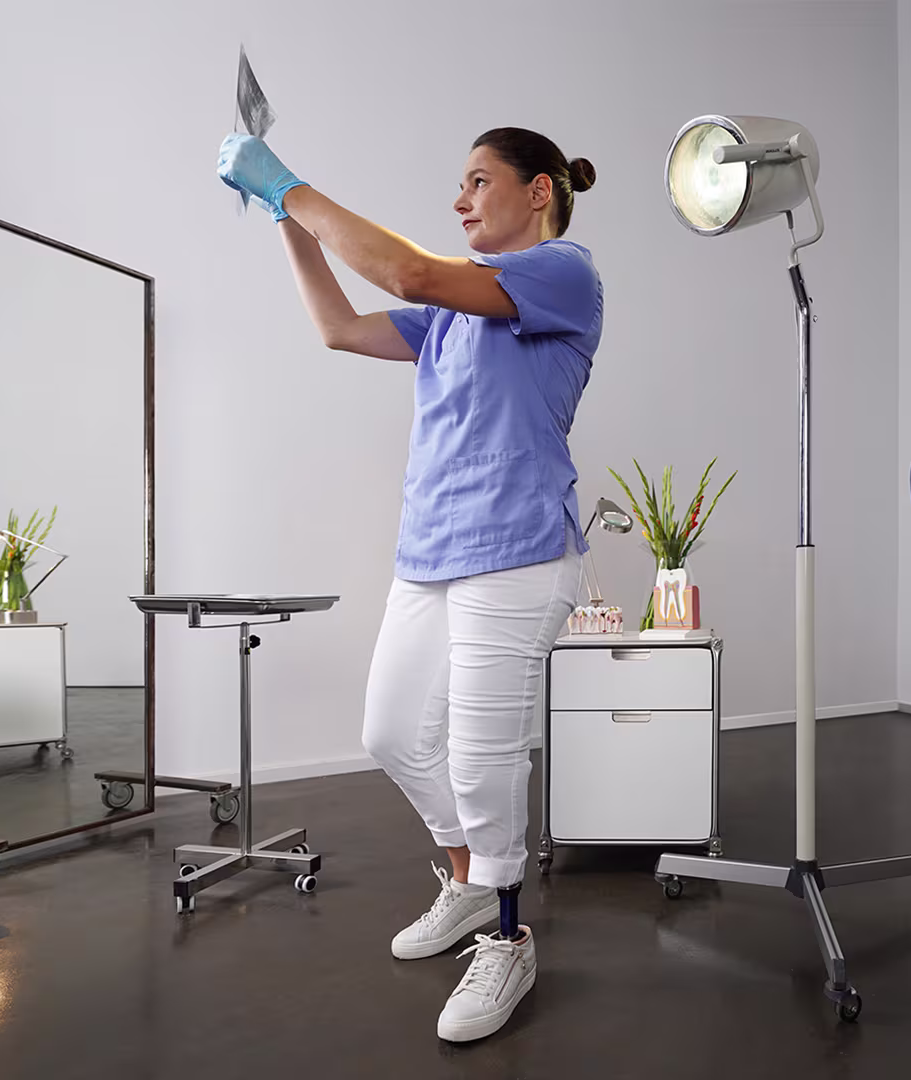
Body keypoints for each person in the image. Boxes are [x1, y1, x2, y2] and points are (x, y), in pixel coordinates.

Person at [218, 126, 602, 1042]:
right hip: (431, 553)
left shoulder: (561, 272)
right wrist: (285, 217)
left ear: (538, 191)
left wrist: (292, 183)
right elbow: (339, 327)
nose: (461, 200)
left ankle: (508, 936)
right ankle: (470, 882)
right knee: (390, 732)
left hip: (517, 553)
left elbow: (411, 274)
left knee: (482, 755)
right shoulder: (450, 318)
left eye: (479, 182)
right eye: (459, 185)